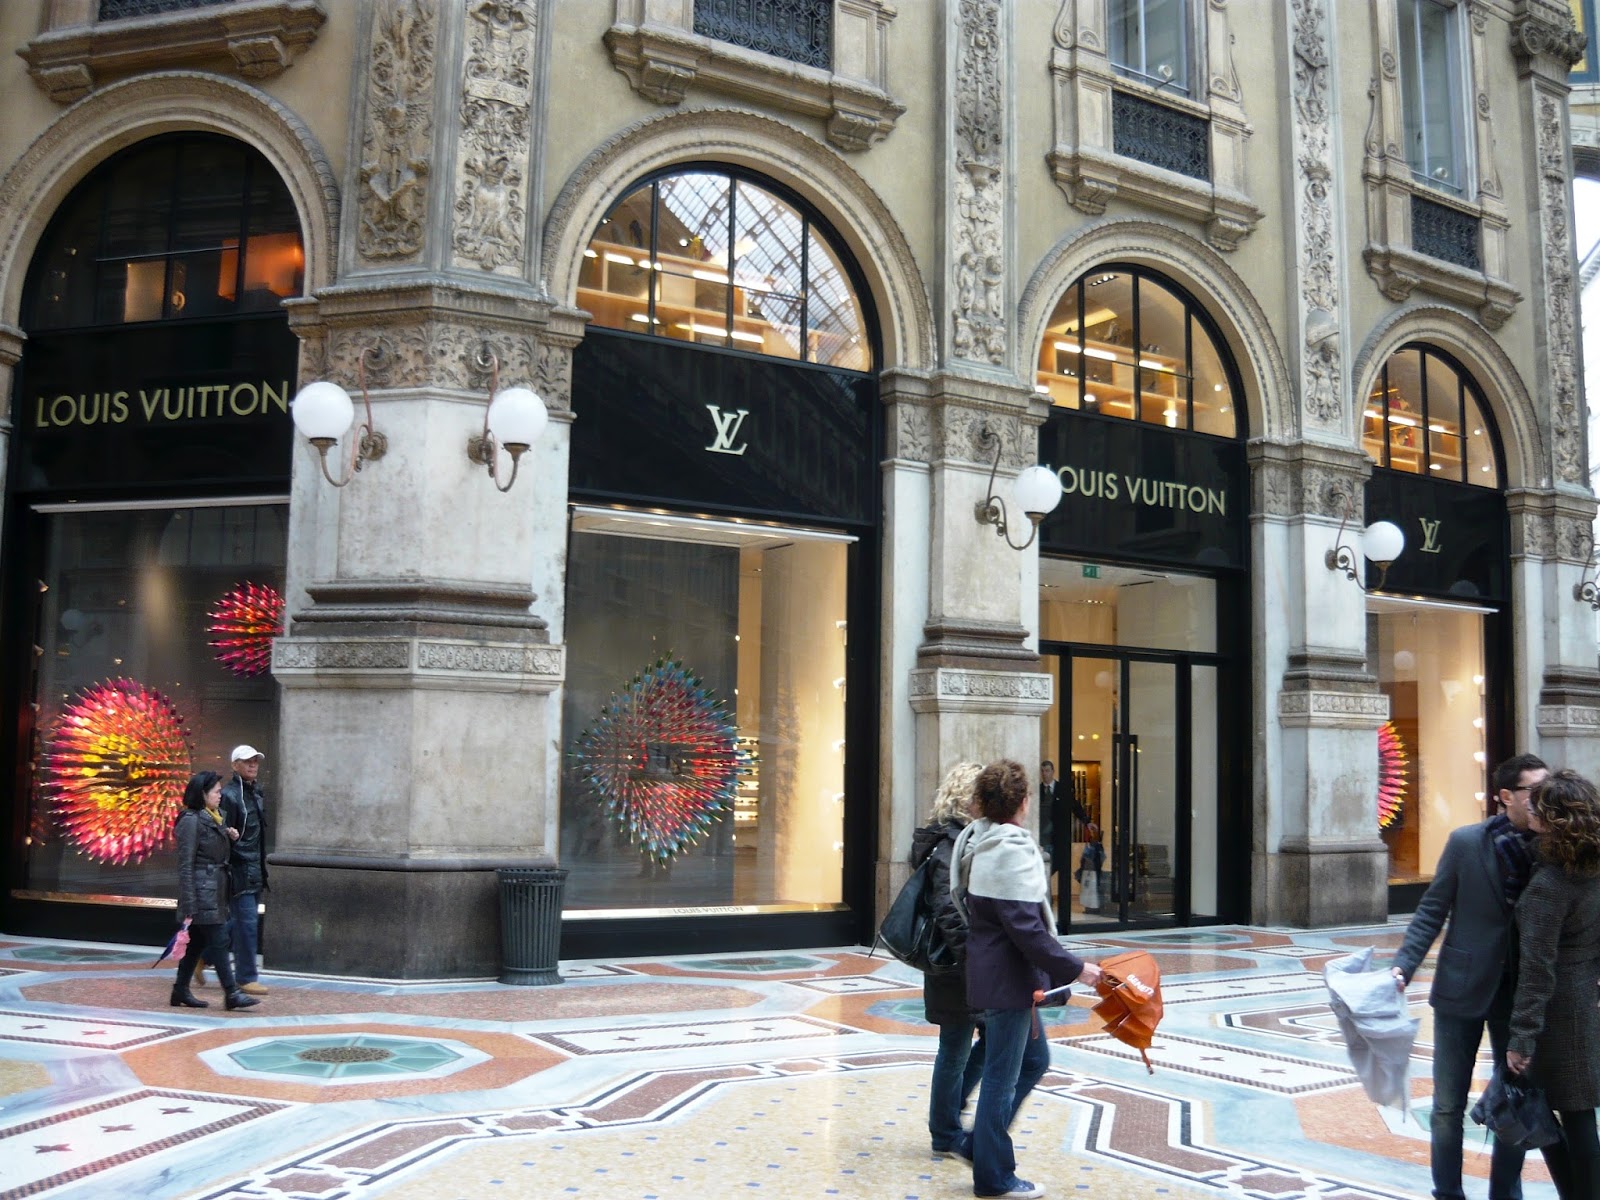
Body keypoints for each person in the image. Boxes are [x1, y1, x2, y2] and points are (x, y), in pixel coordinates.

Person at [1392, 752, 1547, 1200]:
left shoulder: (1553, 848)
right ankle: (1448, 1192)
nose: (1543, 798)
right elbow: (1431, 909)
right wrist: (1404, 965)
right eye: (1534, 791)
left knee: (1514, 1098)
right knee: (1447, 1105)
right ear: (1506, 796)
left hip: (1520, 994)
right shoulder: (1466, 843)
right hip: (1461, 986)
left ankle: (1505, 1193)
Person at [954, 759, 1103, 1200]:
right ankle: (993, 1177)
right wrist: (1078, 969)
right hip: (1009, 982)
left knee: (1035, 1061)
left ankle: (977, 1145)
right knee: (1001, 1078)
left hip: (1000, 975)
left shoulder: (981, 840)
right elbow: (1027, 930)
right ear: (1022, 801)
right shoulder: (1008, 850)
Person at [1505, 769, 1600, 1199]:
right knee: (1572, 1117)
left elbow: (1537, 968)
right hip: (1582, 998)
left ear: (1553, 820)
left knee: (1570, 1119)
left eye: (1537, 807)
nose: (1529, 809)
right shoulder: (1589, 870)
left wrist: (1521, 1038)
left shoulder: (1550, 885)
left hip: (1559, 1012)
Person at [910, 761, 986, 1158]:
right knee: (955, 1047)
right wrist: (974, 960)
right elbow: (948, 910)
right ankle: (944, 1131)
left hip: (964, 962)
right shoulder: (948, 844)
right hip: (955, 965)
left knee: (991, 1038)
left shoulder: (965, 839)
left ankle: (951, 1110)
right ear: (967, 798)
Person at [171, 771, 259, 1011]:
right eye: (216, 792)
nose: (220, 795)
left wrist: (228, 835)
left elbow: (213, 850)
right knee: (220, 940)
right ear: (203, 794)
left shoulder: (215, 817)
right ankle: (232, 992)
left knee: (197, 944)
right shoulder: (191, 820)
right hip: (202, 891)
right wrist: (189, 902)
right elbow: (186, 864)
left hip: (215, 889)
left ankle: (180, 990)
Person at [221, 745, 270, 996]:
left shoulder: (255, 793)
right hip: (239, 870)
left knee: (240, 922)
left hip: (255, 869)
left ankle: (203, 955)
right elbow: (222, 834)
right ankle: (246, 977)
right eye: (247, 761)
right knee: (247, 924)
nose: (252, 765)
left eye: (255, 761)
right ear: (235, 765)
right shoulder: (229, 795)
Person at [1076, 823, 1105, 914]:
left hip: (1093, 870)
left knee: (1092, 890)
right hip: (1087, 869)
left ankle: (1094, 908)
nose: (1091, 833)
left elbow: (1101, 857)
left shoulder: (1097, 845)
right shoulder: (1089, 844)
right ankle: (1088, 907)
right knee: (1086, 890)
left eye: (1093, 831)